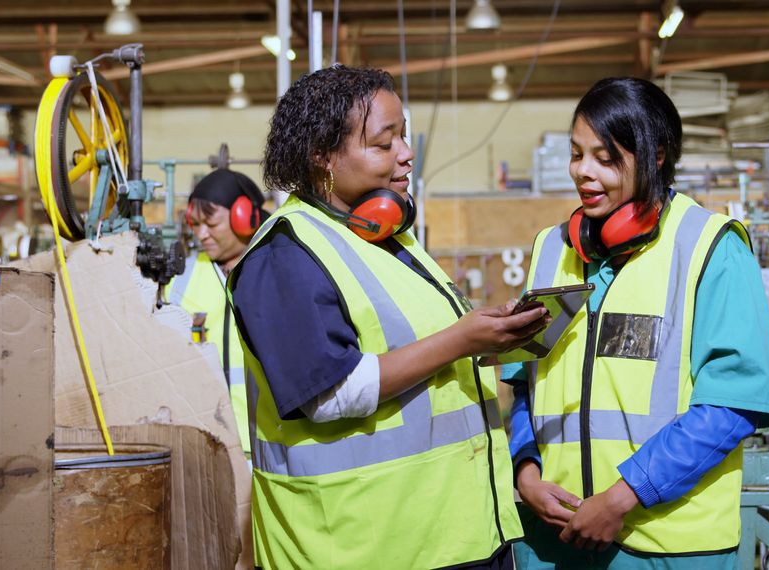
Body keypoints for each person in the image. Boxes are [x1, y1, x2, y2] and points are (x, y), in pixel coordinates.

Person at [227, 65, 543, 570]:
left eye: (404, 136)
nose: (406, 153)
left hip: (455, 532)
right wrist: (461, 339)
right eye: (383, 142)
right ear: (322, 156)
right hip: (361, 546)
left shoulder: (387, 238)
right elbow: (333, 394)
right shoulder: (284, 256)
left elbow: (416, 345)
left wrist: (489, 334)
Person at [504, 77, 769, 568]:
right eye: (577, 154)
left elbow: (730, 405)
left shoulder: (710, 248)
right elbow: (526, 388)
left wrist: (619, 500)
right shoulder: (551, 250)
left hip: (667, 547)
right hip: (552, 539)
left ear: (656, 155)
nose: (584, 173)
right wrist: (525, 472)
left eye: (605, 158)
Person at [165, 168, 268, 458]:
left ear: (245, 217)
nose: (201, 234)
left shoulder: (273, 268)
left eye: (210, 223)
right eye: (195, 224)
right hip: (204, 444)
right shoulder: (181, 279)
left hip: (264, 444)